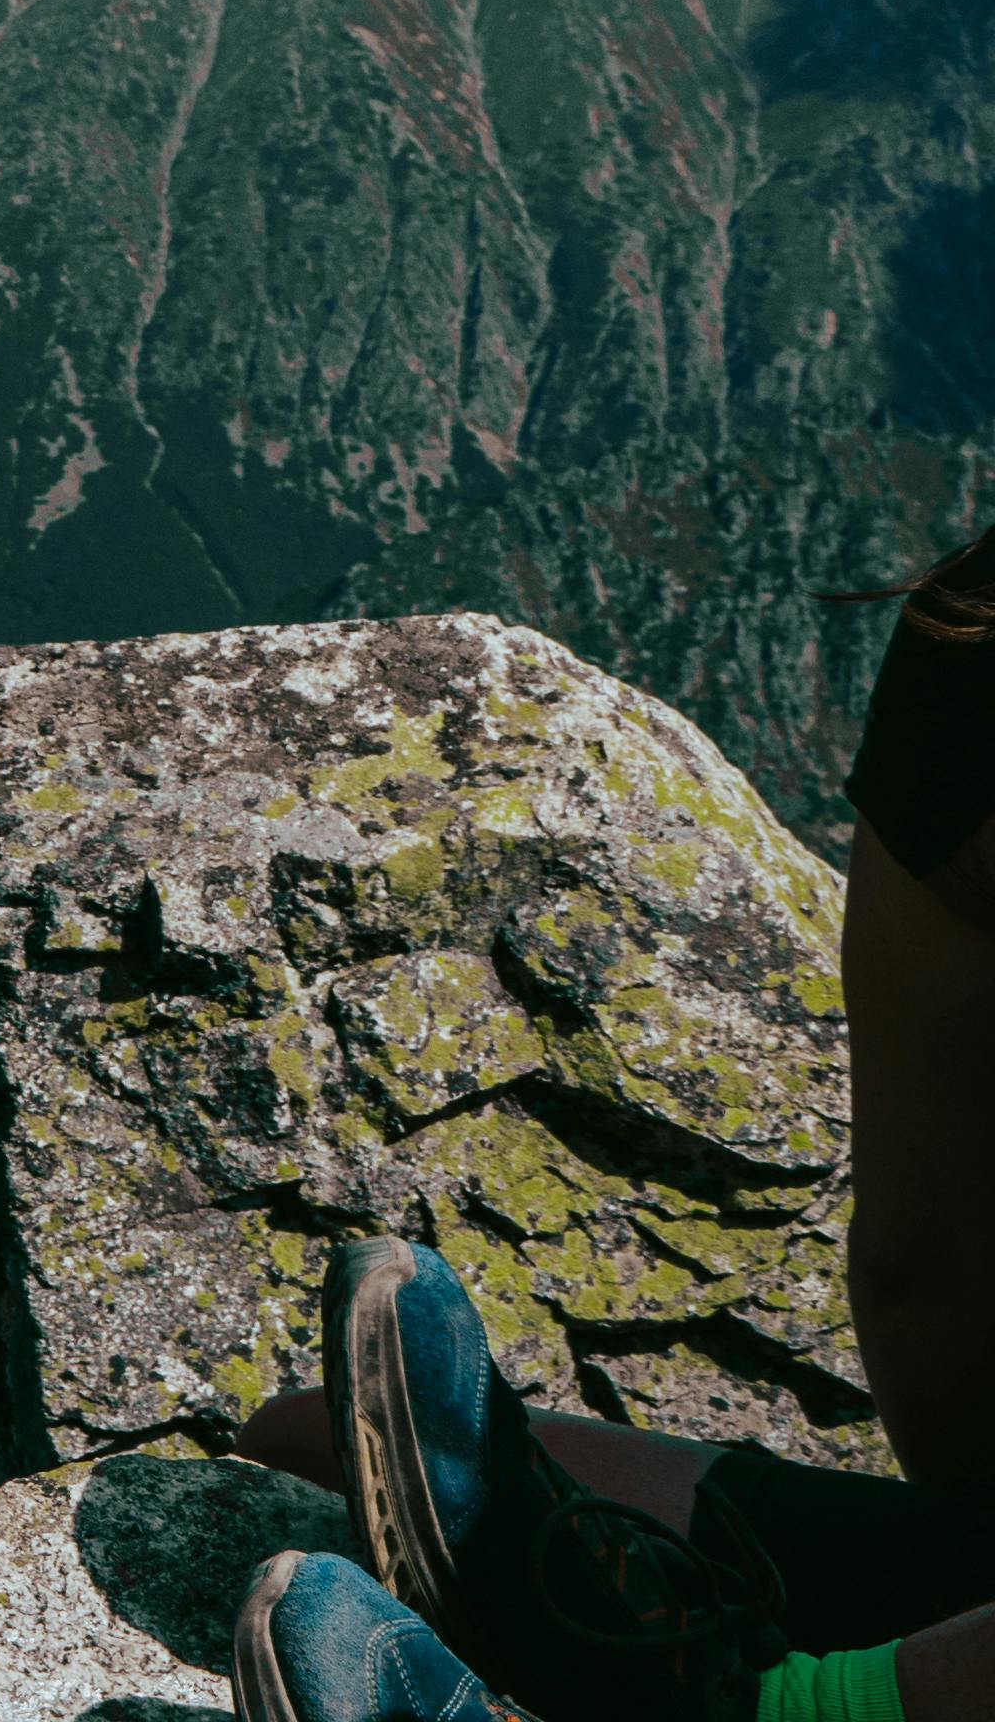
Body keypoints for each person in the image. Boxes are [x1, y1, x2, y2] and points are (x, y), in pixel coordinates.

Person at [219, 525, 995, 1722]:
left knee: (315, 1454)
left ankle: (756, 1707)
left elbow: (924, 1267)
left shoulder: (980, 626)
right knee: (297, 1445)